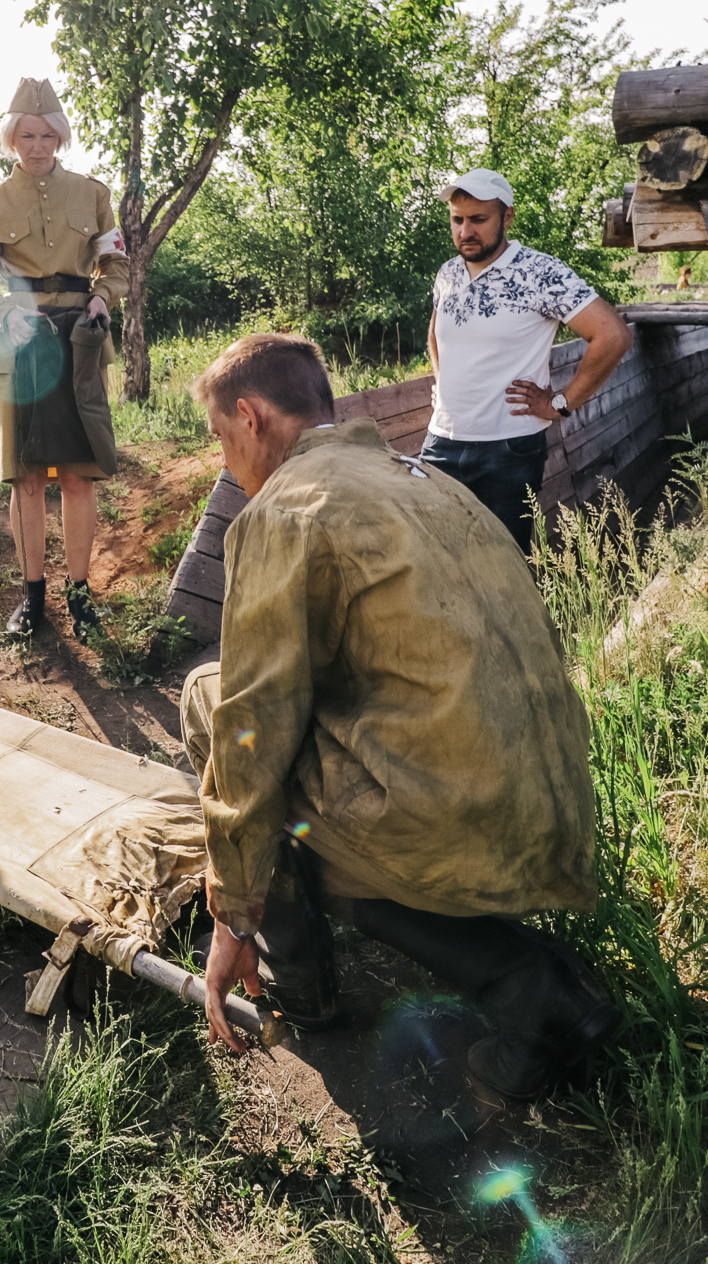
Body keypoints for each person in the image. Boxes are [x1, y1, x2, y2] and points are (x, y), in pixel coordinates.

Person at [184, 333, 618, 1102]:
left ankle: (305, 984)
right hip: (555, 808)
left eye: (220, 438)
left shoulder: (285, 511)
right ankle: (505, 966)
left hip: (453, 819)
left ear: (249, 418)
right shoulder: (429, 479)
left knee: (211, 699)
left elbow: (255, 722)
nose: (225, 463)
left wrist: (233, 911)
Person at [0, 78, 128, 638]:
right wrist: (4, 311)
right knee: (27, 477)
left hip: (80, 340)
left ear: (61, 137)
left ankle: (80, 597)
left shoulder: (93, 194)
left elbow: (115, 265)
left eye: (48, 134)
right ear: (11, 138)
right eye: (27, 135)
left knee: (79, 477)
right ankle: (33, 600)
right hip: (18, 341)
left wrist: (103, 298)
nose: (38, 145)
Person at [421, 170, 634, 551]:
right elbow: (436, 335)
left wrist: (560, 403)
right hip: (441, 443)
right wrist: (443, 385)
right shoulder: (447, 274)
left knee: (502, 567)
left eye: (478, 219)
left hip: (508, 448)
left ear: (507, 217)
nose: (465, 230)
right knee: (433, 557)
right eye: (457, 219)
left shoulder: (541, 273)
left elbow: (613, 335)